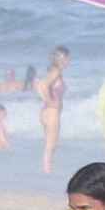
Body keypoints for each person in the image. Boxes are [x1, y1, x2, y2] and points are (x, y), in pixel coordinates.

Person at [37, 45, 70, 173]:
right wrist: (51, 102)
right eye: (68, 58)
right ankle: (47, 171)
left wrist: (47, 101)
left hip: (47, 111)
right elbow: (43, 86)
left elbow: (40, 86)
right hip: (51, 112)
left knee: (50, 145)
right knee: (51, 145)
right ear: (63, 58)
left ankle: (47, 170)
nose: (70, 60)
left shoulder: (52, 71)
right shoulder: (56, 72)